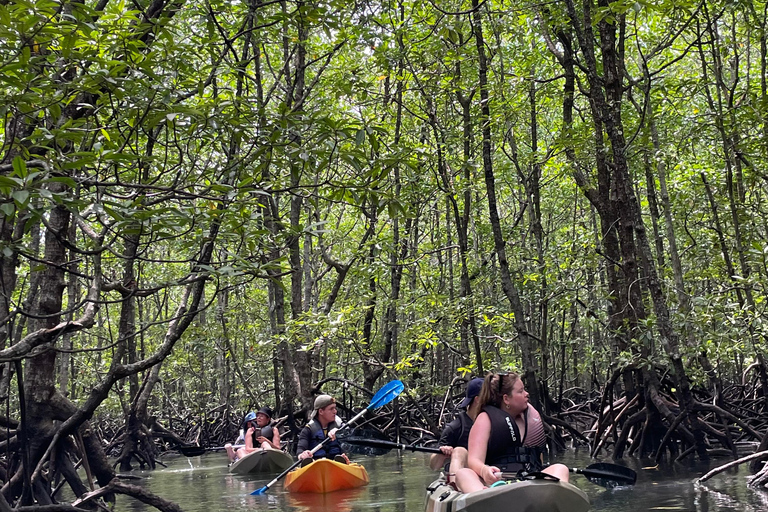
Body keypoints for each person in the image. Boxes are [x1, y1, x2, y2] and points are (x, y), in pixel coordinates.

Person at [454, 372, 569, 493]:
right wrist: (484, 470)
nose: (526, 394)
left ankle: (550, 500)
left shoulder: (530, 419)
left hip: (528, 480)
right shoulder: (485, 419)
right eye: (520, 391)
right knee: (463, 473)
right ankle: (484, 498)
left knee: (560, 469)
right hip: (495, 483)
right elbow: (473, 460)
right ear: (506, 398)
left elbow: (537, 458)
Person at [429, 378, 484, 478]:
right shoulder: (455, 428)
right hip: (468, 474)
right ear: (478, 400)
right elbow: (434, 466)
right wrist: (442, 453)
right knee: (459, 451)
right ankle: (456, 482)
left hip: (490, 471)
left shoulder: (497, 422)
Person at [297, 394, 349, 463]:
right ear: (321, 411)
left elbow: (353, 440)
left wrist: (340, 433)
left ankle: (342, 461)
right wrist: (302, 455)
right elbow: (300, 450)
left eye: (335, 408)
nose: (335, 411)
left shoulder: (341, 426)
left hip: (337, 464)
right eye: (331, 409)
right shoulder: (308, 430)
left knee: (342, 458)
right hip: (316, 464)